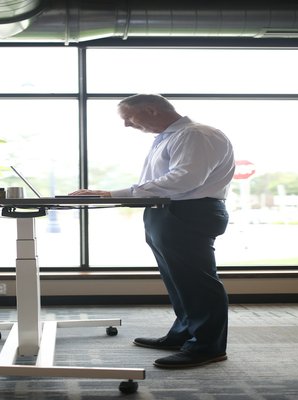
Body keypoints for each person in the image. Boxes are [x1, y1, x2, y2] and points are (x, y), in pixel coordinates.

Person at [70, 94, 235, 369]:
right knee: (178, 280)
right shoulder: (169, 137)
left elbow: (185, 179)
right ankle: (184, 333)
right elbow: (164, 180)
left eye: (128, 118)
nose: (126, 126)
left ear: (151, 110)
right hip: (169, 212)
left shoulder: (195, 134)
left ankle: (208, 347)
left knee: (197, 282)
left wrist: (114, 194)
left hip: (189, 212)